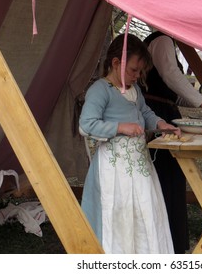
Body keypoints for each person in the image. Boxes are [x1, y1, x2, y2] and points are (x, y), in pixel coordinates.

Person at [79, 33, 180, 254]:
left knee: (144, 210)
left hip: (140, 167)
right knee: (121, 213)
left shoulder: (134, 91)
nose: (137, 76)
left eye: (140, 72)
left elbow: (145, 111)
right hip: (114, 172)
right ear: (116, 63)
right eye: (133, 70)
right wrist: (120, 127)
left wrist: (161, 123)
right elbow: (86, 125)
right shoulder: (100, 90)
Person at [141, 31, 202, 254]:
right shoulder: (162, 40)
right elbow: (170, 75)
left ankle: (173, 242)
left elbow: (172, 92)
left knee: (173, 176)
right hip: (154, 114)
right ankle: (166, 243)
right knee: (165, 177)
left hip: (163, 111)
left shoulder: (166, 42)